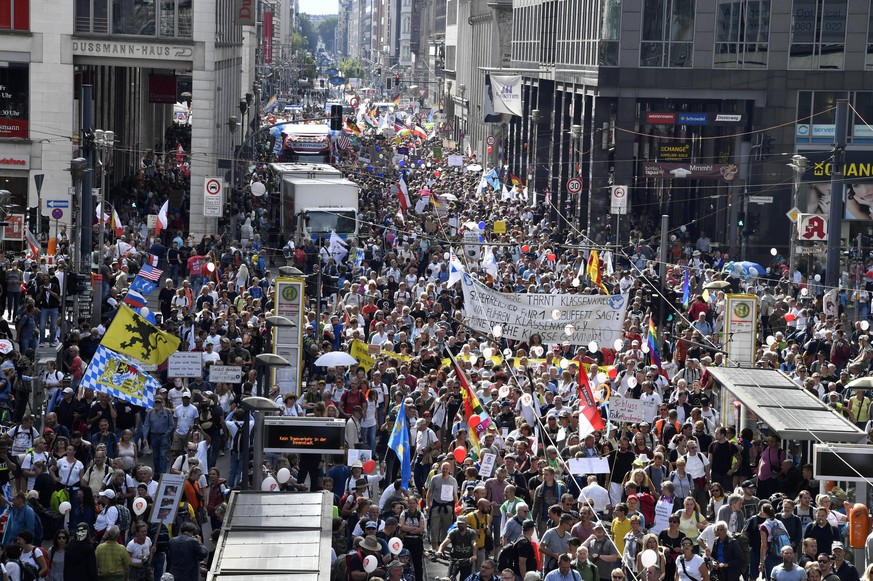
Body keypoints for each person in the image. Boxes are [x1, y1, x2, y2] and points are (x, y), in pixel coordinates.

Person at [437, 517, 477, 581]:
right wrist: (440, 551)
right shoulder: (453, 532)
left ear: (466, 524)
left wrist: (474, 555)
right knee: (449, 578)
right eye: (458, 523)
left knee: (466, 579)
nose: (460, 525)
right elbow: (445, 542)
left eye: (462, 523)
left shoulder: (471, 533)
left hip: (466, 561)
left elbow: (474, 544)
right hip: (454, 560)